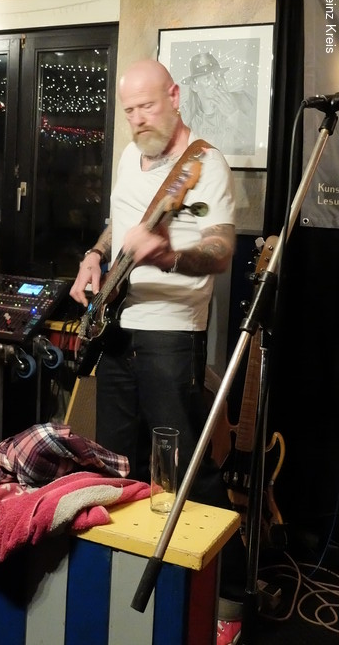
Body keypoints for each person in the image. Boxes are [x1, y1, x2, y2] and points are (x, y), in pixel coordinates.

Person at [69, 59, 244, 645]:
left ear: (174, 95)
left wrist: (166, 255)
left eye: (147, 106)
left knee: (188, 470)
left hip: (171, 333)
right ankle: (130, 582)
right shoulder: (129, 155)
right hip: (117, 328)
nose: (139, 119)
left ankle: (228, 598)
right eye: (129, 111)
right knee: (116, 464)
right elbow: (118, 221)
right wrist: (95, 256)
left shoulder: (204, 164)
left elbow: (220, 250)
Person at [180, 50, 256, 156]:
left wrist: (234, 114)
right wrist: (182, 127)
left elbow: (260, 139)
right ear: (194, 86)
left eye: (218, 75)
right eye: (208, 78)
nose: (216, 82)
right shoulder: (187, 116)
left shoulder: (244, 100)